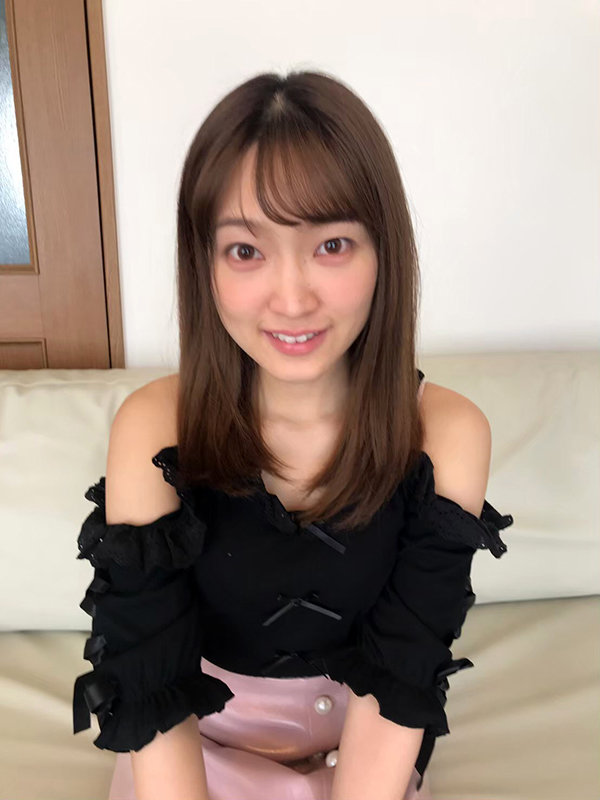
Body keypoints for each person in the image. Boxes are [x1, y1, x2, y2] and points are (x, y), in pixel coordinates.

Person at [72, 70, 513, 800]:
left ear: (383, 252)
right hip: (196, 748)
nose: (292, 298)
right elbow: (151, 686)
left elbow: (401, 675)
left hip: (362, 756)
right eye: (246, 251)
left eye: (332, 245)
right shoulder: (154, 429)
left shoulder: (448, 433)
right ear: (205, 264)